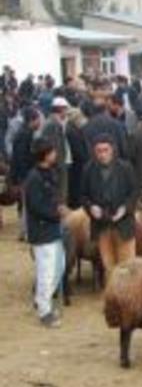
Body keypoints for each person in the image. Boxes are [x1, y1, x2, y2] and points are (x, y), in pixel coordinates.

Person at [80, 135, 139, 277]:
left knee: (128, 267)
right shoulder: (88, 169)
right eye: (99, 151)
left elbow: (134, 192)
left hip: (124, 226)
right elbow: (82, 195)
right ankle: (114, 296)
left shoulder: (126, 167)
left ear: (112, 150)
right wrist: (91, 207)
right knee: (109, 267)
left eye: (105, 150)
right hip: (102, 226)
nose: (102, 154)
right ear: (94, 152)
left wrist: (125, 208)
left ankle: (128, 297)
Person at [24, 138, 67, 328]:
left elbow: (50, 199)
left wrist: (57, 207)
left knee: (59, 266)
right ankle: (44, 311)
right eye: (52, 152)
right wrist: (56, 212)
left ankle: (43, 301)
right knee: (46, 271)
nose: (55, 154)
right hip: (42, 230)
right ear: (46, 154)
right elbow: (36, 206)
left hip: (52, 229)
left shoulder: (48, 173)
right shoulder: (34, 178)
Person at [39, 97, 73, 202]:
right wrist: (60, 165)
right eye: (66, 109)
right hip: (57, 167)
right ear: (61, 109)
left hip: (55, 166)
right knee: (60, 196)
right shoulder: (54, 125)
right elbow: (55, 148)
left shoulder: (50, 122)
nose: (67, 112)